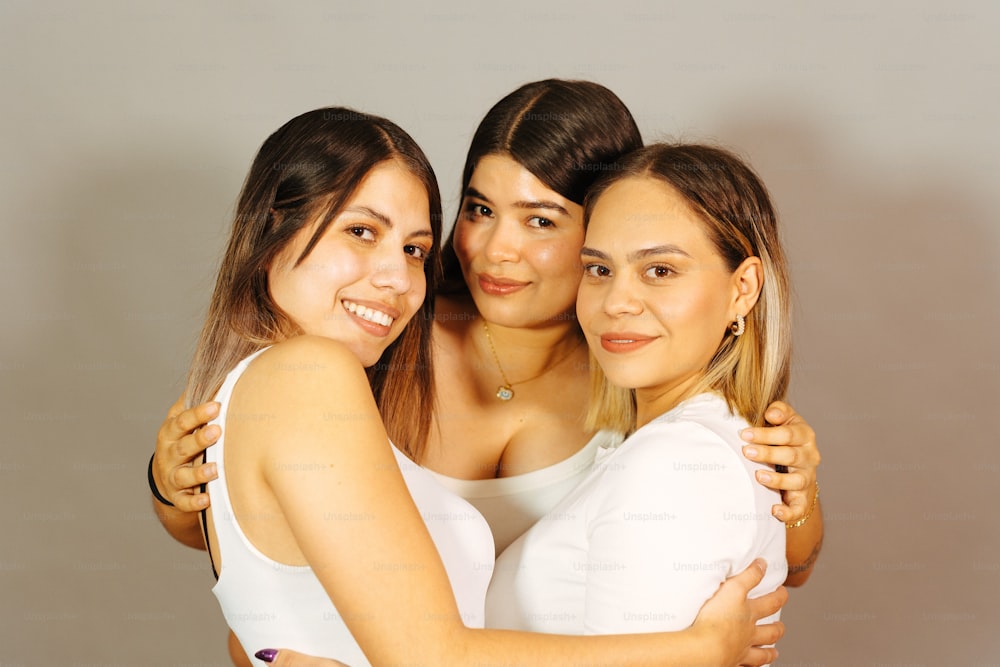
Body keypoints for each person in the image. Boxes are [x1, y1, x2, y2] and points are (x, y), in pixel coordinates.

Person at [174, 105, 785, 667]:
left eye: (414, 249)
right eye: (361, 231)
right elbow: (432, 657)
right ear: (274, 224)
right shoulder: (307, 375)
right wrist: (696, 650)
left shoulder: (272, 381)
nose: (396, 277)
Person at [488, 142, 794, 641]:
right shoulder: (692, 442)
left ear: (743, 288)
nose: (617, 302)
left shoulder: (676, 462)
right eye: (600, 269)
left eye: (660, 270)